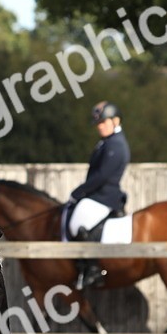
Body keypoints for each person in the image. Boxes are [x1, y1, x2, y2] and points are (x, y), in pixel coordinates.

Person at [67, 101, 130, 290]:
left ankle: (93, 269)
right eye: (98, 124)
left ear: (115, 121)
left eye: (103, 122)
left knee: (77, 223)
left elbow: (102, 175)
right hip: (99, 194)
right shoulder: (108, 142)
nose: (100, 126)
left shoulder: (116, 145)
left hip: (105, 196)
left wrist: (79, 192)